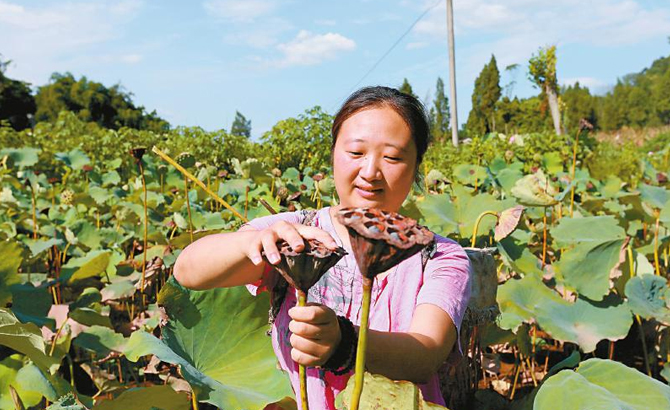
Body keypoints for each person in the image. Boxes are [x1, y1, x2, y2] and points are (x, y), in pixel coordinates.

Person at [173, 86, 471, 409]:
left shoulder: (439, 255)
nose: (370, 172)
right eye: (356, 153)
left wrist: (344, 343)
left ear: (416, 168)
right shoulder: (293, 233)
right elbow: (188, 271)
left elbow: (424, 354)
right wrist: (251, 242)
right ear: (333, 156)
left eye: (392, 157)